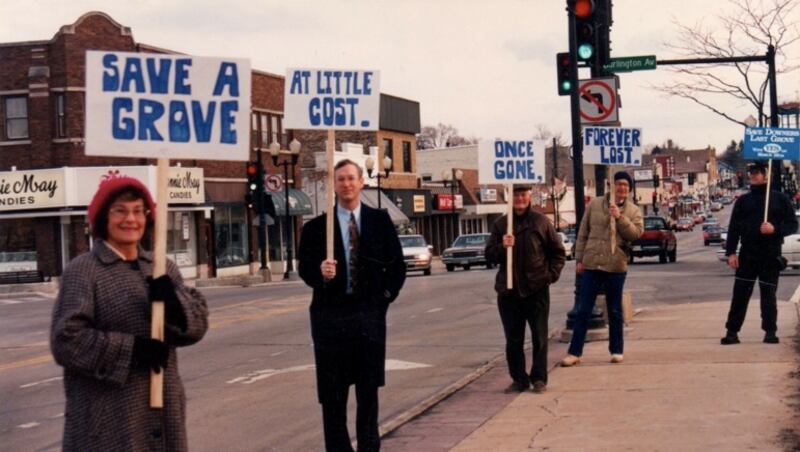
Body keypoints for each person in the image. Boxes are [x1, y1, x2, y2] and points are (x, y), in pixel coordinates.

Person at [50, 175, 209, 451]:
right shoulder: (84, 270)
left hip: (162, 414)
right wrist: (132, 350)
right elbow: (66, 340)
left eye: (138, 211)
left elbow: (197, 325)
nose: (130, 219)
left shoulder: (161, 268)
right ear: (103, 217)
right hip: (107, 419)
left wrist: (175, 306)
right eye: (120, 211)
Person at [298, 159, 406, 452]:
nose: (346, 184)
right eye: (340, 179)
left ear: (361, 182)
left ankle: (368, 447)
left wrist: (384, 298)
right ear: (333, 185)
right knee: (333, 398)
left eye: (350, 178)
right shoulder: (317, 228)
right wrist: (320, 272)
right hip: (330, 321)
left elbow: (397, 268)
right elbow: (304, 268)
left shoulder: (379, 221)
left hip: (368, 319)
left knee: (368, 393)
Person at [485, 184, 566, 394]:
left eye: (523, 194)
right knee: (513, 339)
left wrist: (549, 276)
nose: (519, 199)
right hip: (509, 291)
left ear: (529, 197)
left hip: (536, 288)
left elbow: (558, 253)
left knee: (539, 336)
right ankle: (519, 379)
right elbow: (489, 255)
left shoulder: (541, 222)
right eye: (516, 195)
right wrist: (502, 246)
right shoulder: (501, 224)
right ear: (510, 198)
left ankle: (539, 378)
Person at [561, 171, 643, 366]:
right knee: (583, 309)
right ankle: (574, 352)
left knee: (614, 310)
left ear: (629, 189)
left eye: (625, 185)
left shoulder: (633, 211)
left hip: (616, 265)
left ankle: (616, 349)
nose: (621, 188)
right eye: (618, 184)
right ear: (611, 186)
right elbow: (583, 232)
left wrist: (620, 217)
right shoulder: (595, 204)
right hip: (592, 263)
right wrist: (579, 258)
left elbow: (635, 234)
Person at [721, 161, 798, 345]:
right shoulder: (743, 201)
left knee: (768, 295)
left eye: (757, 172)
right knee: (740, 294)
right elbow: (733, 229)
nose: (753, 175)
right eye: (751, 172)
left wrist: (774, 229)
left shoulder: (780, 199)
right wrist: (731, 253)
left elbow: (792, 225)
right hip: (747, 254)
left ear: (766, 175)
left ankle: (770, 331)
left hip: (770, 254)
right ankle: (732, 332)